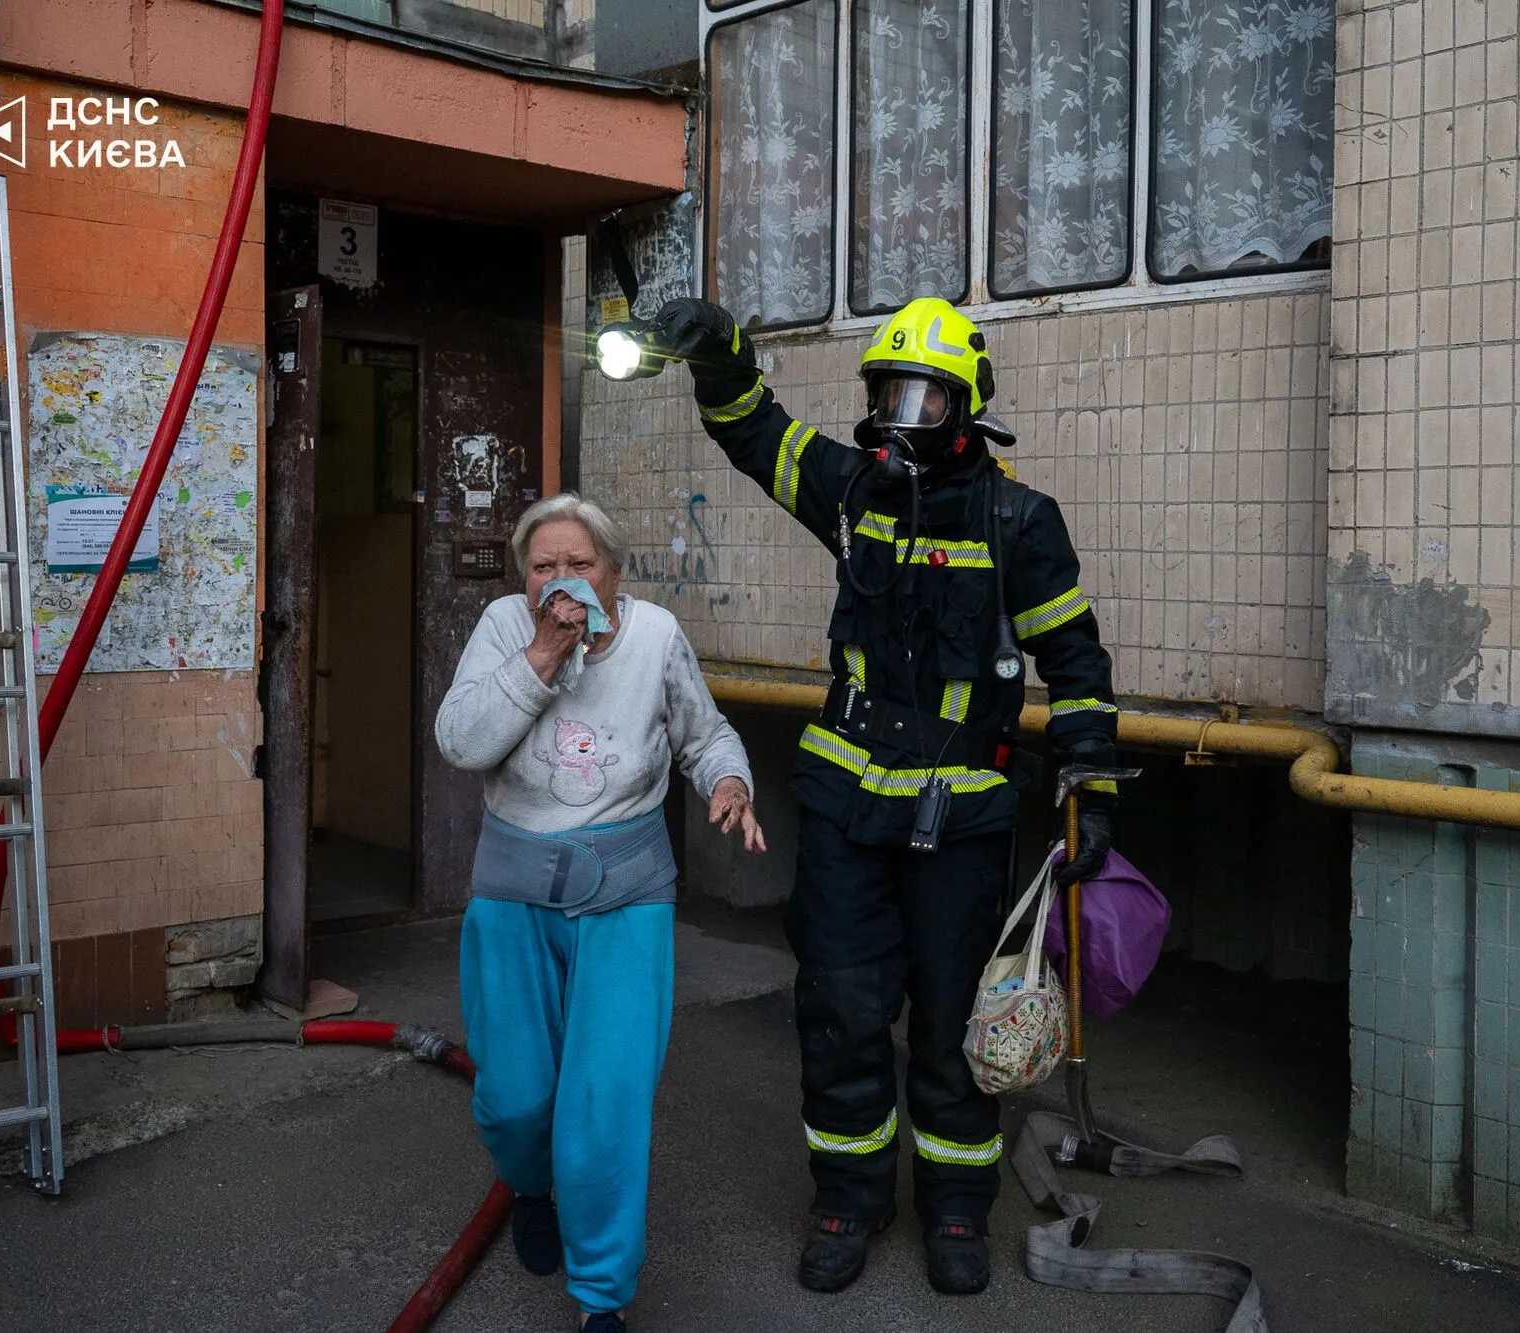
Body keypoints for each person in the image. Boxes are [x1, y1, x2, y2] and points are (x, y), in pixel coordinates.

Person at [650, 296, 1121, 1296]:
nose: (895, 417)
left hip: (960, 819)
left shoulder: (1017, 521)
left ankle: (955, 1208)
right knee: (840, 1008)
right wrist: (721, 358)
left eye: (917, 396)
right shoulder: (852, 492)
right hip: (846, 810)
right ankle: (847, 1197)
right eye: (883, 394)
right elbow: (757, 436)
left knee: (953, 1019)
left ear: (963, 409)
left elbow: (1074, 664)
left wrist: (1090, 783)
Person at [435, 493, 766, 1333]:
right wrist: (543, 656)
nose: (562, 579)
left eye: (579, 564)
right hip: (512, 892)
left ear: (613, 574)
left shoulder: (654, 636)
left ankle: (601, 1299)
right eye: (544, 565)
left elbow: (704, 734)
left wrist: (730, 781)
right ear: (525, 576)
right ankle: (531, 1184)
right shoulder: (508, 628)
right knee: (515, 1101)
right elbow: (462, 741)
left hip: (627, 893)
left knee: (604, 1105)